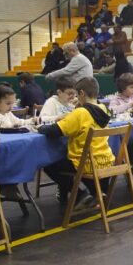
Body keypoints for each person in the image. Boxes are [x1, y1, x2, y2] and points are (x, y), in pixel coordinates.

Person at [37, 77, 112, 206]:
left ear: (81, 93)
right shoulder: (103, 109)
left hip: (87, 164)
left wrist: (40, 127)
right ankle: (97, 191)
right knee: (71, 160)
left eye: (77, 95)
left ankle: (78, 194)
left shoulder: (80, 113)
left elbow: (55, 130)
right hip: (106, 160)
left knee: (50, 164)